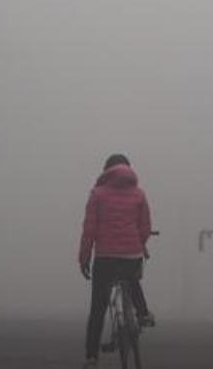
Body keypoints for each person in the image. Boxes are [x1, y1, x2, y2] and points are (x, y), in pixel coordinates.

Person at [79, 154, 154, 369]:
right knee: (132, 277)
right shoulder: (139, 194)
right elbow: (145, 227)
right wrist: (140, 243)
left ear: (106, 171)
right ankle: (142, 313)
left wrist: (84, 258)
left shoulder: (97, 194)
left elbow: (89, 230)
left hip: (105, 258)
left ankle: (91, 357)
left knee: (98, 308)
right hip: (131, 255)